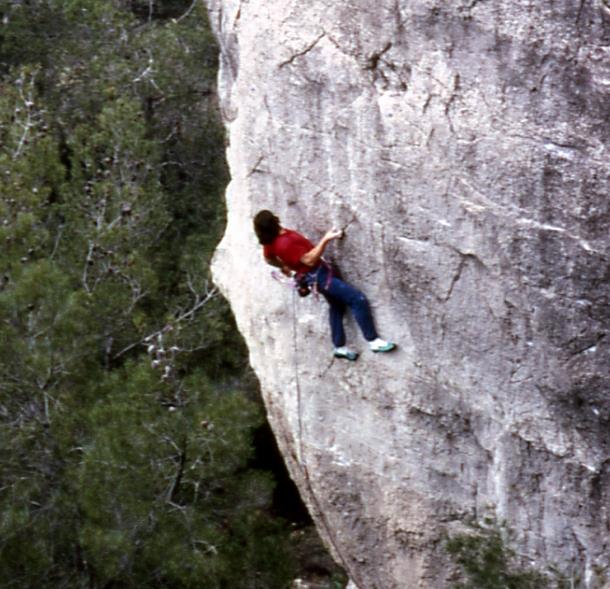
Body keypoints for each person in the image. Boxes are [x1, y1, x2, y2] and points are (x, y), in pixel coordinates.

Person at [253, 210, 396, 361]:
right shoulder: (284, 243)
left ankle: (339, 347)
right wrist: (326, 239)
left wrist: (284, 266)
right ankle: (373, 341)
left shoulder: (270, 241)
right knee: (357, 299)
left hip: (315, 276)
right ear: (274, 221)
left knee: (337, 306)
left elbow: (268, 259)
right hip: (318, 276)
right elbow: (309, 260)